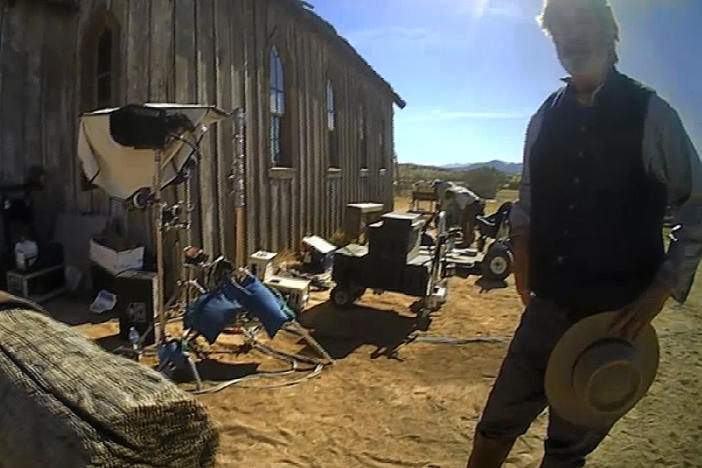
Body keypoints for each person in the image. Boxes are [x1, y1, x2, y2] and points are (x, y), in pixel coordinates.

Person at [466, 0, 702, 467]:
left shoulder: (652, 115)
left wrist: (663, 287)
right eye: (559, 32)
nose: (572, 39)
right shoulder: (544, 119)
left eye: (583, 25)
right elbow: (528, 203)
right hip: (546, 309)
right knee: (494, 429)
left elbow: (696, 208)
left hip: (614, 321)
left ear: (610, 33)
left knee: (566, 453)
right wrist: (521, 255)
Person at [433, 180, 485, 247]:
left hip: (473, 205)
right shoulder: (458, 190)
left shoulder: (459, 197)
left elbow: (464, 208)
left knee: (467, 224)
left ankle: (467, 242)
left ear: (451, 195)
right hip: (476, 203)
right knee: (468, 224)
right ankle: (469, 240)